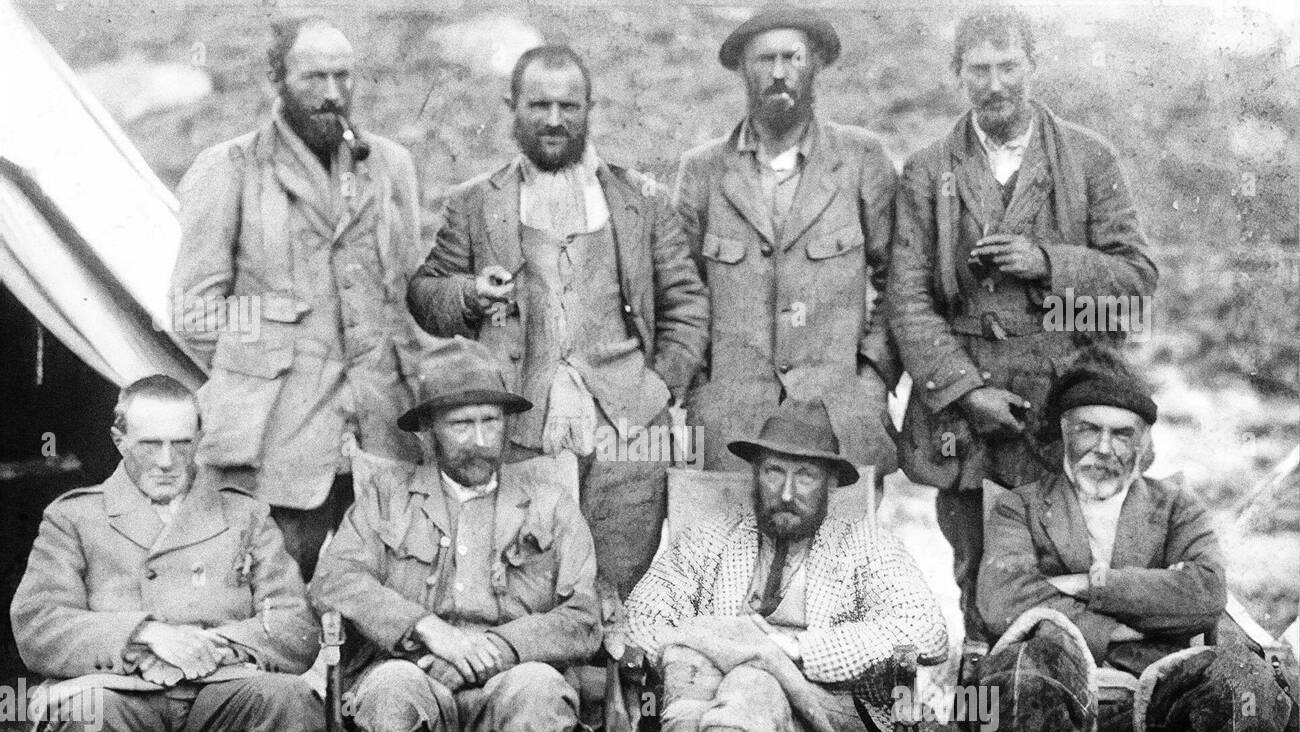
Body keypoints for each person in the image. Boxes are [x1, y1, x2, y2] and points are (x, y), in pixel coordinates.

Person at [888, 4, 1158, 646]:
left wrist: (1048, 262)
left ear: (1033, 67)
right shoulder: (928, 172)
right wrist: (965, 391)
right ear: (957, 75)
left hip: (1065, 403)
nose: (996, 83)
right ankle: (988, 713)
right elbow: (907, 298)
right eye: (978, 69)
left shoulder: (1090, 160)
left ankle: (1082, 700)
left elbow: (1137, 282)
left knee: (1081, 563)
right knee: (976, 572)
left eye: (1010, 66)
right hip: (968, 417)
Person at [976, 350, 1295, 732]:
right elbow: (1003, 598)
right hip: (1052, 698)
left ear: (1144, 443)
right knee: (1024, 669)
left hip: (1154, 699)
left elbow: (1205, 592)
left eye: (1122, 435)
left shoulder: (1176, 508)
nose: (1104, 449)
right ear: (1062, 433)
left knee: (1245, 683)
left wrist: (1096, 584)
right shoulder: (1020, 507)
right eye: (1089, 430)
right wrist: (1129, 625)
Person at [405, 44, 708, 600]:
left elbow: (686, 303)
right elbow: (425, 296)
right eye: (537, 105)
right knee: (530, 584)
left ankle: (617, 685)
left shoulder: (640, 201)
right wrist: (469, 294)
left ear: (590, 107)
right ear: (511, 108)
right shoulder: (475, 204)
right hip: (521, 436)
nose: (553, 120)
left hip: (629, 438)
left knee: (619, 586)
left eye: (568, 106)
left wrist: (659, 385)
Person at [11, 375, 331, 732]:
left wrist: (215, 644)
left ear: (199, 440)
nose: (166, 460)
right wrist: (148, 635)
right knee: (82, 723)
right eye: (149, 443)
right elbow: (38, 625)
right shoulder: (75, 518)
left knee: (293, 705)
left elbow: (295, 625)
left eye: (181, 443)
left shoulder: (244, 514)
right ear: (120, 441)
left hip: (224, 689)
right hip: (123, 695)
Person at [614, 398, 948, 732]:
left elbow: (925, 631)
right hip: (723, 719)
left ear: (832, 484)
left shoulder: (864, 545)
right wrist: (747, 647)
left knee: (734, 670)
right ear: (754, 474)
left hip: (832, 717)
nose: (787, 493)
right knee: (732, 674)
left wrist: (794, 649)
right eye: (773, 472)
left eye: (806, 476)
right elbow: (639, 622)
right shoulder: (712, 538)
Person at [310, 338, 602, 732]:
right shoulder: (384, 497)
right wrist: (430, 632)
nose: (479, 439)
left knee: (543, 694)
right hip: (415, 670)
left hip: (513, 677)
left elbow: (584, 616)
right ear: (428, 431)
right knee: (389, 692)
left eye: (490, 421)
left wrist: (498, 650)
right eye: (460, 424)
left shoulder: (546, 500)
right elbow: (333, 581)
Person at [171, 14, 426, 579]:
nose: (333, 94)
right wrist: (269, 364)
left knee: (389, 609)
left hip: (384, 433)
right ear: (274, 82)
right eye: (314, 78)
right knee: (276, 605)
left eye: (344, 77)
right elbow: (195, 313)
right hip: (276, 448)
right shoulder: (229, 169)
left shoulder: (390, 167)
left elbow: (406, 295)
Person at [676, 5, 899, 478]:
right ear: (742, 70)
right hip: (729, 429)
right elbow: (680, 290)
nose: (779, 74)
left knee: (842, 550)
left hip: (838, 421)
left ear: (815, 65)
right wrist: (701, 391)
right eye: (764, 60)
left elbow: (899, 279)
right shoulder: (703, 170)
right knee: (721, 549)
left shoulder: (861, 159)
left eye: (793, 59)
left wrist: (873, 379)